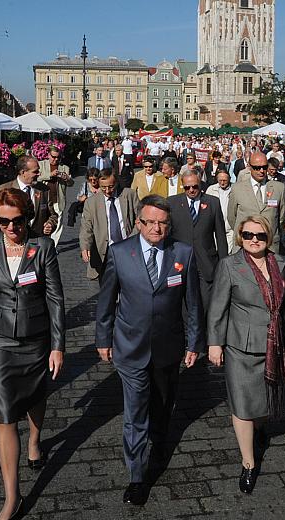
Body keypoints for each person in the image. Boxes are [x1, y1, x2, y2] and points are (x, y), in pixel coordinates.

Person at [95, 195, 204, 505]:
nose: (157, 228)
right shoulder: (119, 253)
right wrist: (103, 339)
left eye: (163, 223)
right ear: (138, 223)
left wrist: (194, 342)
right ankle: (137, 476)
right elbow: (106, 303)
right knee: (135, 413)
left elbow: (193, 304)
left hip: (168, 347)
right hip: (130, 346)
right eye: (150, 222)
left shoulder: (182, 252)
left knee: (162, 405)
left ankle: (159, 440)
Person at [0, 188, 65, 519]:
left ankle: (35, 440)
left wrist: (57, 346)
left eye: (18, 220)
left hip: (35, 337)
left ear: (27, 217)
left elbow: (55, 299)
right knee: (5, 413)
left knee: (36, 395)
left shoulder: (43, 248)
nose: (12, 228)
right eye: (4, 222)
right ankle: (13, 496)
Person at [207, 216, 285, 494]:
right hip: (241, 346)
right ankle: (248, 462)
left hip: (273, 345)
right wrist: (215, 343)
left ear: (269, 237)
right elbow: (217, 308)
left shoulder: (281, 263)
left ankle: (260, 429)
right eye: (248, 235)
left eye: (260, 236)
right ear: (240, 236)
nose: (254, 240)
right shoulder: (229, 265)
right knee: (242, 405)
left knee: (263, 401)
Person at [168, 171, 228, 309]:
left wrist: (223, 263)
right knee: (183, 305)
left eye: (194, 186)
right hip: (181, 262)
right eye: (187, 187)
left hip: (206, 263)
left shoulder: (213, 202)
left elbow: (220, 235)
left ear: (200, 184)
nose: (191, 190)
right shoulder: (172, 203)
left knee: (206, 304)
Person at [79, 170, 139, 282]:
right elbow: (86, 227)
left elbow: (140, 219)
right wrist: (85, 246)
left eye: (111, 187)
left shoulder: (129, 195)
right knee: (107, 290)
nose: (107, 191)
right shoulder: (91, 203)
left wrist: (132, 238)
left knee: (129, 285)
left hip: (128, 247)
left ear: (116, 183)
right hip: (105, 251)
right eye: (103, 187)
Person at [227, 152, 285, 254]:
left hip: (270, 245)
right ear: (249, 167)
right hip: (244, 244)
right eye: (257, 168)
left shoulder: (279, 188)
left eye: (264, 167)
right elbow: (232, 217)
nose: (261, 171)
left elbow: (282, 217)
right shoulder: (237, 188)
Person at [0, 156, 58, 237]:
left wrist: (50, 224)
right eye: (35, 171)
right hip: (11, 241)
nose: (39, 174)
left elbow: (52, 215)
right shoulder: (4, 190)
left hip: (36, 242)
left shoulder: (44, 190)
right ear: (23, 172)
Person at [39, 145, 74, 245]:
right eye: (53, 157)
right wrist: (50, 174)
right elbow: (35, 178)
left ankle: (53, 246)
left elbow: (71, 184)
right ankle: (42, 243)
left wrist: (67, 178)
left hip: (58, 200)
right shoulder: (41, 165)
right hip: (43, 199)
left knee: (58, 224)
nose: (56, 159)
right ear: (48, 155)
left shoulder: (64, 167)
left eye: (58, 157)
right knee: (43, 222)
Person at [206, 170, 236, 253]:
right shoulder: (211, 189)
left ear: (229, 179)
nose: (222, 183)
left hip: (230, 228)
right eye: (220, 180)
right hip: (214, 228)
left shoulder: (235, 189)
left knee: (228, 252)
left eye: (225, 181)